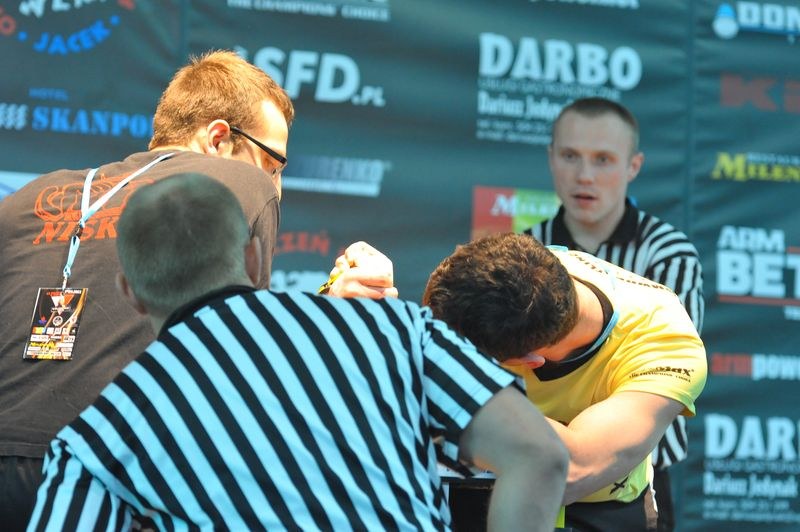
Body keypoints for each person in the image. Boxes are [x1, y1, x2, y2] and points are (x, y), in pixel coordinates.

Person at [27, 173, 569, 531]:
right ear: (254, 256)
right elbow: (540, 456)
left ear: (130, 292)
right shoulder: (397, 330)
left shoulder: (100, 437)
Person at [0, 50, 391, 530]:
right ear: (219, 138)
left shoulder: (26, 201)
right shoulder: (240, 183)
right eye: (272, 164)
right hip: (118, 477)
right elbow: (245, 366)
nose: (276, 187)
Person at [423, 232, 707, 532]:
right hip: (463, 486)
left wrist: (437, 402)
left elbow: (567, 469)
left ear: (528, 361)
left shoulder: (665, 344)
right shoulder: (512, 270)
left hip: (591, 505)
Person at [524, 97, 704, 531]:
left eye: (603, 159)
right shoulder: (525, 248)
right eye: (570, 156)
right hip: (533, 465)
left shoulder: (669, 253)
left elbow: (661, 372)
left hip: (637, 482)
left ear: (633, 166)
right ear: (551, 158)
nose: (584, 175)